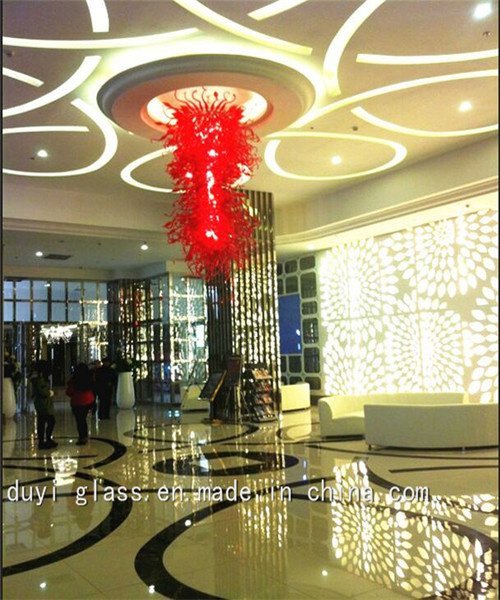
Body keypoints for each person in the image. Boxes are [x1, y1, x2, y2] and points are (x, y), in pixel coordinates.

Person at [31, 360, 58, 450]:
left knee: (42, 422)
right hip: (44, 404)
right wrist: (51, 393)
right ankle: (46, 440)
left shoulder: (37, 377)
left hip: (41, 403)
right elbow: (43, 392)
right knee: (50, 421)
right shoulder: (39, 379)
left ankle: (42, 441)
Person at [66, 363, 95, 445]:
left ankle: (82, 437)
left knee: (80, 420)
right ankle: (84, 436)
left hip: (77, 402)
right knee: (83, 420)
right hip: (88, 400)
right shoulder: (89, 378)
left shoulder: (74, 379)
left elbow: (69, 392)